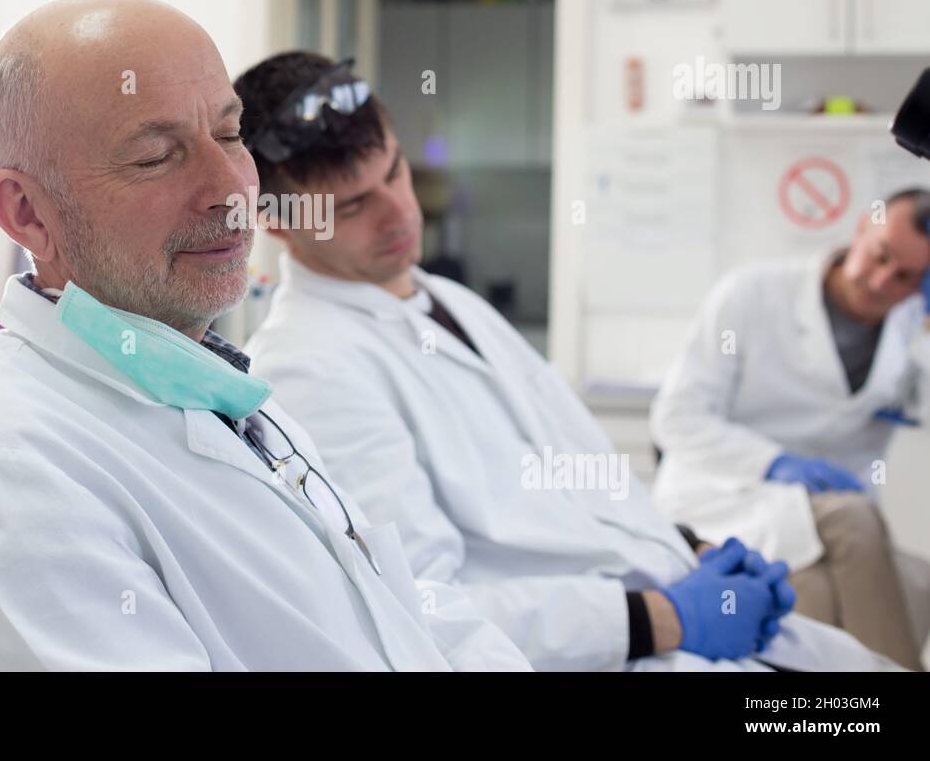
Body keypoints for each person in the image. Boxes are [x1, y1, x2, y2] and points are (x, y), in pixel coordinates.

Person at [0, 0, 531, 672]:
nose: (233, 187)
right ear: (28, 213)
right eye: (156, 156)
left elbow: (396, 617)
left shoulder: (226, 398)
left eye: (231, 135)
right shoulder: (8, 470)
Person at [236, 50, 900, 671]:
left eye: (397, 171)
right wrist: (658, 619)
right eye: (354, 205)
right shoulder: (307, 366)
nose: (399, 213)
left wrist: (691, 545)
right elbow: (419, 608)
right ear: (276, 218)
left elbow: (570, 491)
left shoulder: (447, 300)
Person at [650, 191, 930, 670]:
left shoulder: (911, 327)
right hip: (728, 492)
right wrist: (773, 462)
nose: (882, 281)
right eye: (880, 256)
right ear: (863, 226)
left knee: (901, 583)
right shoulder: (753, 295)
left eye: (906, 278)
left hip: (829, 524)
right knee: (854, 522)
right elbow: (676, 416)